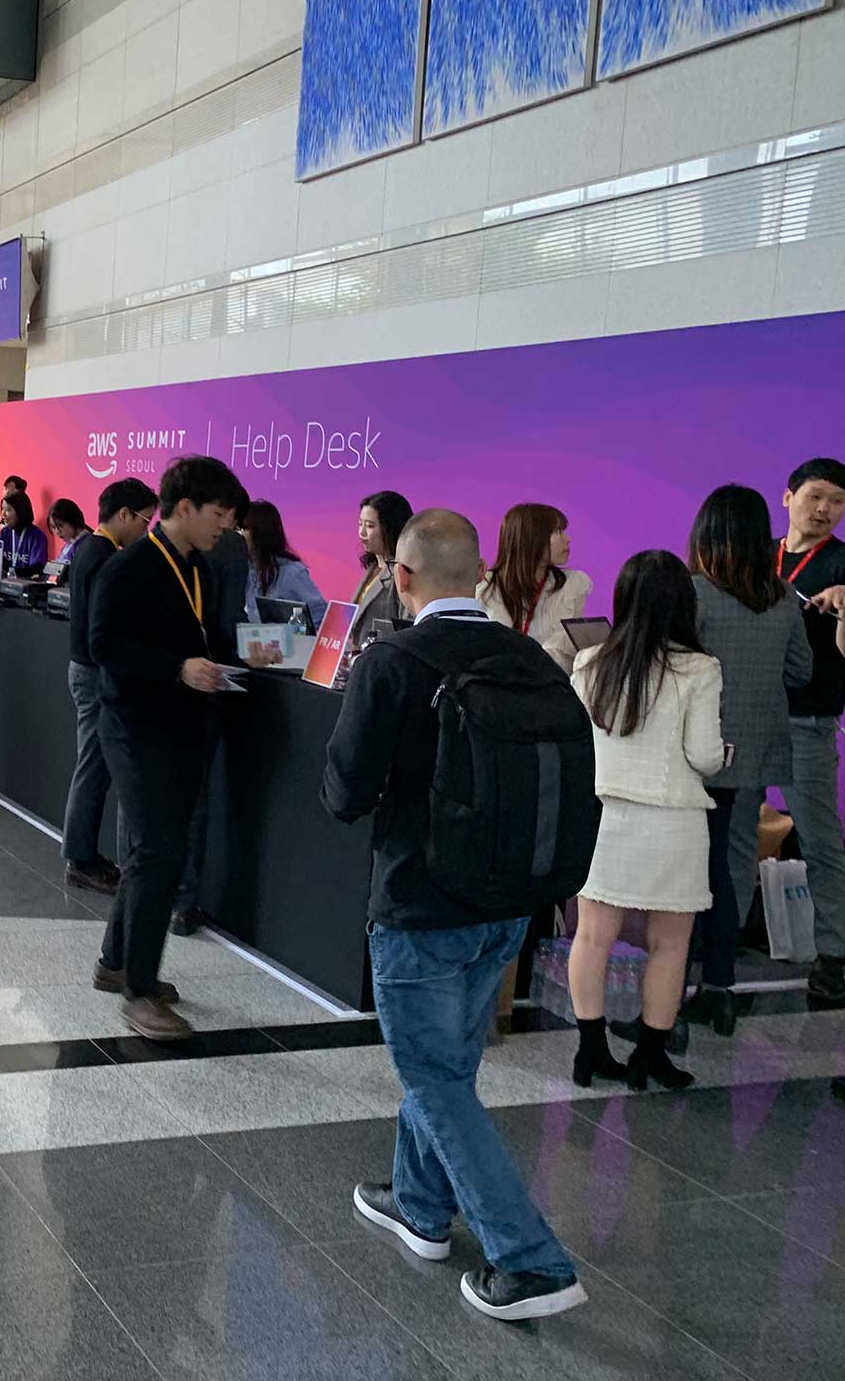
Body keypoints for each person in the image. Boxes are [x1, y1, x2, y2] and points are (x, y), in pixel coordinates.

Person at [322, 507, 590, 1323]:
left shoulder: (391, 661)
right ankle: (420, 1206)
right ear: (478, 576)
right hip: (508, 905)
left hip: (419, 905)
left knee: (435, 1078)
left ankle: (531, 1260)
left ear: (400, 577)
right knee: (448, 1067)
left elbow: (343, 794)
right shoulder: (531, 658)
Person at [88, 456, 247, 1040]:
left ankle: (114, 962)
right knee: (158, 851)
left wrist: (243, 654)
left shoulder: (199, 567)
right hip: (134, 728)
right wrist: (176, 668)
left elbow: (202, 635)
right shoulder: (128, 566)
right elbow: (103, 646)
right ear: (185, 507)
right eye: (219, 514)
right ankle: (140, 991)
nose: (225, 527)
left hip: (180, 728)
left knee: (152, 851)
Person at [569, 550, 723, 1091]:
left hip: (604, 818)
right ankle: (650, 1057)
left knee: (592, 937)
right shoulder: (699, 669)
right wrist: (725, 754)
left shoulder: (589, 662)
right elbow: (704, 755)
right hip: (673, 822)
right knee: (670, 945)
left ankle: (590, 1052)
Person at [685, 484, 812, 1035]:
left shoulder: (695, 593)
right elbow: (801, 671)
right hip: (757, 752)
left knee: (694, 867)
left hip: (700, 753)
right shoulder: (782, 596)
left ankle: (679, 984)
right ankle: (722, 986)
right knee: (735, 863)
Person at [60, 479, 158, 896]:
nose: (146, 530)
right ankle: (80, 859)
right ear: (123, 514)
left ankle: (82, 855)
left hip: (86, 669)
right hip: (94, 673)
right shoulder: (102, 557)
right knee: (94, 766)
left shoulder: (89, 550)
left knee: (94, 766)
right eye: (144, 521)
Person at [776, 458, 845, 1004]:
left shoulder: (843, 565)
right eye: (815, 496)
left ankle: (835, 954)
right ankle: (713, 956)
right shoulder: (758, 558)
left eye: (837, 502)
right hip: (748, 717)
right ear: (788, 496)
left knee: (820, 841)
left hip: (809, 720)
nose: (824, 509)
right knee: (729, 840)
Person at [478, 503, 593, 674]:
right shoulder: (484, 588)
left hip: (550, 683)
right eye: (558, 531)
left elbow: (565, 655)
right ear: (530, 537)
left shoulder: (572, 585)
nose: (567, 539)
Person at [241, 499, 327, 627]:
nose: (237, 534)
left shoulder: (291, 572)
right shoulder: (242, 568)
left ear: (260, 532)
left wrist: (293, 632)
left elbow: (319, 615)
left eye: (242, 529)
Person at [352, 489, 413, 640]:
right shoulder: (373, 567)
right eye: (360, 524)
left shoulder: (404, 572)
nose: (362, 532)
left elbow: (407, 627)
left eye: (370, 526)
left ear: (390, 528)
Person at [0, 490, 49, 573]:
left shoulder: (37, 537)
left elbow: (36, 570)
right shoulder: (4, 533)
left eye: (8, 509)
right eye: (2, 509)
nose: (3, 514)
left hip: (25, 581)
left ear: (20, 511)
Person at [46, 498, 91, 566]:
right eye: (53, 527)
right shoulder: (70, 543)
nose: (57, 531)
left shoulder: (86, 545)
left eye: (60, 526)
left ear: (74, 520)